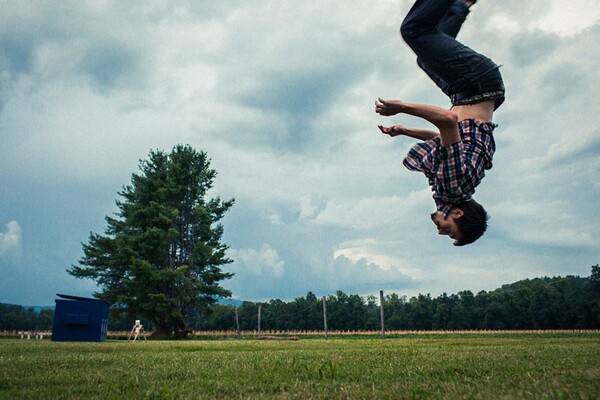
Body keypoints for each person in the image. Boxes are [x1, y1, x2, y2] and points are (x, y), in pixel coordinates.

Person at [375, 0, 505, 246]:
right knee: (414, 31)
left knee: (425, 58)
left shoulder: (461, 186)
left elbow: (445, 139)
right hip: (474, 83)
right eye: (450, 231)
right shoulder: (451, 186)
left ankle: (462, 4)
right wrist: (401, 107)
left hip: (473, 87)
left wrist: (405, 131)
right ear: (457, 214)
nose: (440, 231)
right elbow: (447, 120)